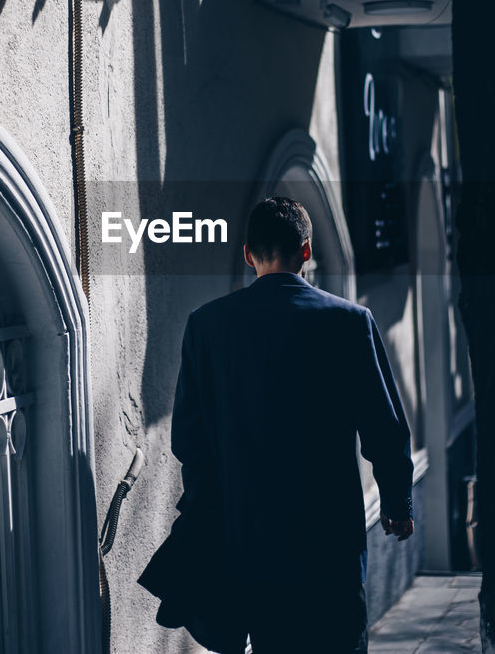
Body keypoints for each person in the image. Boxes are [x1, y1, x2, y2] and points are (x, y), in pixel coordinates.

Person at [139, 196, 415, 654]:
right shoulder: (349, 322)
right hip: (331, 542)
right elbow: (382, 425)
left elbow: (190, 439)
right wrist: (396, 500)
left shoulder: (207, 327)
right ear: (306, 251)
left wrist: (211, 513)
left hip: (249, 542)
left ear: (248, 255)